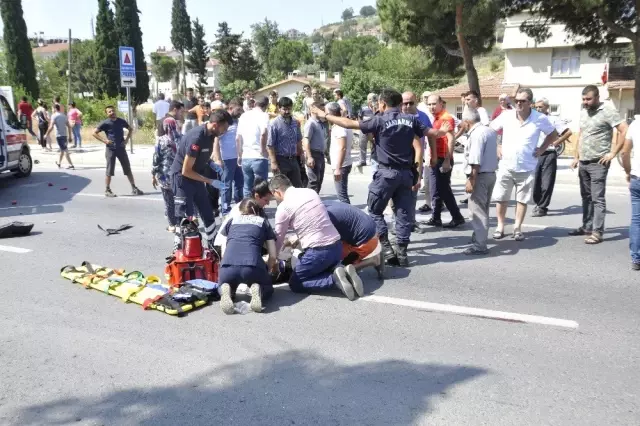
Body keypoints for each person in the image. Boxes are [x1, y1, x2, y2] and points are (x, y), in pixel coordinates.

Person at [312, 88, 448, 267]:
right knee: (404, 214)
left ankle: (386, 247)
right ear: (400, 104)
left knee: (375, 211)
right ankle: (402, 253)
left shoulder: (379, 120)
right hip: (406, 174)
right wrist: (443, 131)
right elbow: (432, 134)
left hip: (385, 174)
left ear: (383, 104)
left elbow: (347, 123)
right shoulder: (411, 120)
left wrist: (324, 115)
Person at [270, 175, 362, 300]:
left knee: (295, 283)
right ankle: (341, 270)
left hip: (318, 252)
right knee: (321, 266)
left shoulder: (283, 207)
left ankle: (333, 279)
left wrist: (273, 259)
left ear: (277, 192)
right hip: (336, 247)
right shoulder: (310, 192)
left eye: (273, 195)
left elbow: (279, 237)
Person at [489, 87, 559, 241]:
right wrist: (497, 145)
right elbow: (491, 129)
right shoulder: (506, 115)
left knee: (522, 199)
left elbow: (553, 134)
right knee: (501, 198)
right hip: (506, 165)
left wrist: (542, 149)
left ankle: (517, 228)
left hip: (527, 166)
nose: (519, 103)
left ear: (530, 103)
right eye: (517, 101)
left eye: (523, 101)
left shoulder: (539, 118)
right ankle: (500, 226)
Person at [569, 85, 628, 244]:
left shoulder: (607, 111)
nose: (585, 102)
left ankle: (597, 232)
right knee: (586, 197)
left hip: (598, 163)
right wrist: (576, 156)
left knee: (597, 198)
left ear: (597, 98)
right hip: (584, 162)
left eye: (588, 99)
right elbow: (581, 134)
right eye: (583, 99)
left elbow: (624, 129)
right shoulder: (583, 111)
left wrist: (613, 153)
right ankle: (587, 227)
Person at [170, 109, 231, 250]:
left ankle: (213, 245)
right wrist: (210, 181)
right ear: (216, 125)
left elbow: (201, 155)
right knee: (186, 218)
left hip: (195, 176)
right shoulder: (196, 138)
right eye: (224, 128)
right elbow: (186, 170)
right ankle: (179, 248)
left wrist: (211, 164)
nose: (225, 131)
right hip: (182, 178)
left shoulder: (210, 136)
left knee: (207, 213)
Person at [218, 198, 277, 314]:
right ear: (256, 211)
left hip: (228, 265)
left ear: (240, 211)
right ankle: (258, 289)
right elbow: (273, 255)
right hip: (252, 265)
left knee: (223, 285)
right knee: (268, 289)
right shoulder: (263, 222)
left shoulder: (232, 221)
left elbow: (223, 252)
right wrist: (269, 270)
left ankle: (227, 290)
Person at [424, 95, 466, 228]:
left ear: (441, 103)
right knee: (437, 189)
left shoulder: (445, 118)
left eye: (434, 104)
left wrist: (447, 160)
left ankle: (457, 217)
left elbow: (450, 139)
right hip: (437, 158)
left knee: (443, 190)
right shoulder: (437, 117)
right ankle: (436, 217)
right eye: (429, 104)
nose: (431, 106)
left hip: (443, 158)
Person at [462, 106, 498, 255]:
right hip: (490, 174)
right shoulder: (489, 131)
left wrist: (472, 179)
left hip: (480, 175)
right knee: (483, 208)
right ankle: (479, 237)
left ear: (467, 122)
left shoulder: (477, 134)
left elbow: (475, 160)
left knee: (477, 211)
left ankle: (480, 245)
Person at [531, 98, 573, 217]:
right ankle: (538, 203)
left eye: (541, 107)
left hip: (549, 153)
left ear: (547, 108)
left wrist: (556, 142)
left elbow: (568, 132)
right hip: (536, 153)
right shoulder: (534, 119)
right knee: (536, 182)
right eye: (537, 107)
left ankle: (543, 207)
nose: (538, 109)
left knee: (546, 182)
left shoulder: (553, 119)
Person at [93, 106, 144, 197]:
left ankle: (134, 188)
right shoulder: (105, 123)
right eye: (109, 111)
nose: (112, 112)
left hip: (121, 148)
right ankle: (107, 190)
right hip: (111, 149)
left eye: (113, 110)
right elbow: (94, 133)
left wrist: (126, 140)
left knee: (127, 168)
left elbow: (130, 129)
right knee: (109, 170)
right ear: (107, 114)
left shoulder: (121, 121)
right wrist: (105, 140)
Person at [213, 177, 273, 248]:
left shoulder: (256, 207)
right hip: (225, 245)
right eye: (266, 200)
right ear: (257, 196)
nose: (268, 203)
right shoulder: (246, 209)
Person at [152, 100, 184, 233]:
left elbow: (156, 159)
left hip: (164, 176)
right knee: (179, 199)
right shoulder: (182, 139)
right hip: (178, 174)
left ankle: (172, 225)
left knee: (169, 201)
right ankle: (181, 222)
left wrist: (153, 175)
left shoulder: (161, 140)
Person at [326, 201, 379, 271]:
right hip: (371, 230)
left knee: (339, 269)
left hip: (367, 241)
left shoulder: (326, 217)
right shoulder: (325, 204)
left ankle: (373, 259)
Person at [237, 96, 270, 197]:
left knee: (247, 187)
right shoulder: (264, 115)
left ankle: (247, 210)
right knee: (261, 188)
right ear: (267, 105)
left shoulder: (243, 116)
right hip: (258, 157)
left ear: (255, 103)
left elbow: (238, 138)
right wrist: (263, 149)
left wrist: (239, 155)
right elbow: (263, 133)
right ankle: (259, 211)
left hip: (246, 156)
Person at [214, 106, 244, 216]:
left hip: (238, 158)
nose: (240, 111)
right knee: (226, 185)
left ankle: (240, 206)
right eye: (238, 109)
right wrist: (218, 159)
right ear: (232, 108)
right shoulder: (224, 125)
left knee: (239, 183)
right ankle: (225, 209)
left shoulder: (239, 123)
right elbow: (216, 141)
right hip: (227, 159)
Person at [267, 97, 303, 187]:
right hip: (280, 160)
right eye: (284, 109)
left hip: (294, 160)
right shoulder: (274, 124)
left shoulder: (295, 122)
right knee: (281, 188)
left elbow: (298, 139)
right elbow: (270, 145)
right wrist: (273, 162)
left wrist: (301, 154)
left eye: (289, 109)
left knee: (297, 187)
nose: (287, 111)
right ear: (279, 108)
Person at [621, 115, 640, 270]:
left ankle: (636, 257)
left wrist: (628, 172)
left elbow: (625, 153)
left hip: (637, 177)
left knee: (637, 220)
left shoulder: (635, 123)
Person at [326, 102, 353, 203]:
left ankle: (349, 217)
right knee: (342, 194)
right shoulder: (341, 124)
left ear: (330, 113)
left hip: (342, 165)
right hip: (344, 164)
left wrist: (338, 168)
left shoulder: (339, 127)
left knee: (342, 196)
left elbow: (342, 147)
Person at [303, 101, 327, 193]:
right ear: (313, 109)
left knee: (319, 182)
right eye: (320, 108)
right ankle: (309, 205)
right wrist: (309, 157)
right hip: (313, 154)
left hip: (320, 155)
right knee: (313, 182)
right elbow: (306, 140)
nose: (323, 110)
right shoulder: (311, 123)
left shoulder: (320, 123)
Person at [45, 103, 75, 170]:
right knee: (62, 149)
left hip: (59, 136)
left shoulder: (54, 116)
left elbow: (51, 126)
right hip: (64, 135)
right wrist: (70, 136)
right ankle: (59, 163)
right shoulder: (64, 116)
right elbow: (69, 126)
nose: (52, 110)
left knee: (65, 150)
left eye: (52, 108)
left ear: (55, 108)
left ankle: (71, 165)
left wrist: (46, 134)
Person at [357, 93, 378, 171]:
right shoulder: (363, 108)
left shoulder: (377, 108)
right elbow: (359, 116)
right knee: (362, 144)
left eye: (372, 99)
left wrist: (375, 109)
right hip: (364, 128)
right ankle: (362, 161)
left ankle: (372, 160)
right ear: (367, 100)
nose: (371, 101)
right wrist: (360, 125)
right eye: (369, 99)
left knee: (374, 145)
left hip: (373, 129)